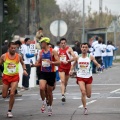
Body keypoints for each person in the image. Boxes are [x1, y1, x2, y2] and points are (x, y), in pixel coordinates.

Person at [70, 43, 101, 115]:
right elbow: (73, 65)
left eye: (85, 47)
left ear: (87, 49)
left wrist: (99, 66)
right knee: (83, 92)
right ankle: (85, 108)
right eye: (83, 47)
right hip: (80, 76)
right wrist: (71, 70)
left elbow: (96, 64)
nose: (84, 48)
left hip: (88, 77)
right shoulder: (78, 57)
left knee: (89, 95)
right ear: (81, 48)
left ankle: (86, 98)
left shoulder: (90, 56)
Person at [32, 37, 60, 116]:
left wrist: (52, 62)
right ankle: (43, 101)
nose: (41, 44)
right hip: (43, 72)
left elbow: (59, 62)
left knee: (49, 92)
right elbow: (39, 63)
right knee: (41, 87)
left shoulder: (53, 52)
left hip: (51, 73)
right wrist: (33, 65)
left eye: (42, 43)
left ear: (46, 43)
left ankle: (50, 107)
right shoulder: (40, 52)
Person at [0, 42, 28, 118]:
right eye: (12, 48)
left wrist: (24, 69)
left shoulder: (18, 56)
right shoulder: (3, 56)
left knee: (12, 93)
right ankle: (8, 89)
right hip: (6, 77)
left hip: (14, 77)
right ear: (8, 48)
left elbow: (22, 63)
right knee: (4, 96)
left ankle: (9, 111)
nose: (13, 49)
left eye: (14, 48)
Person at [58, 38, 76, 102]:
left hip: (67, 67)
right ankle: (63, 95)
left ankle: (64, 88)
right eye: (62, 43)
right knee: (62, 81)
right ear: (60, 44)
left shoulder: (69, 49)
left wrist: (68, 61)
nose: (63, 44)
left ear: (66, 43)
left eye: (64, 43)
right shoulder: (58, 50)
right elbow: (56, 59)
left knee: (65, 82)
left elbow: (74, 57)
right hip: (61, 67)